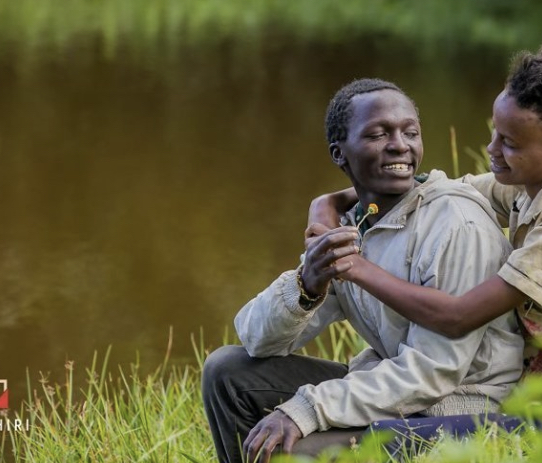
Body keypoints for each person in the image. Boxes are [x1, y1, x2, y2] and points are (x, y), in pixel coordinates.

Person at [308, 42, 542, 422]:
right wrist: (329, 203)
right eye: (495, 133)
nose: (492, 149)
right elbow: (421, 189)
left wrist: (354, 267)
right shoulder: (525, 182)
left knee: (359, 441)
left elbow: (458, 317)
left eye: (508, 143)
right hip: (537, 387)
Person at [201, 78, 525, 463]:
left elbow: (433, 373)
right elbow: (256, 339)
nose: (399, 144)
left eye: (410, 132)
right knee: (227, 371)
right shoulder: (356, 225)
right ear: (340, 154)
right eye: (378, 134)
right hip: (403, 395)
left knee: (297, 451)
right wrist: (309, 283)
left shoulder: (456, 225)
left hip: (463, 409)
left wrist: (307, 409)